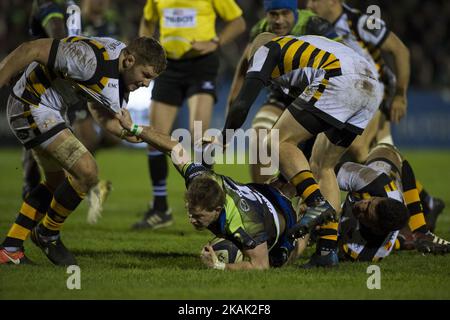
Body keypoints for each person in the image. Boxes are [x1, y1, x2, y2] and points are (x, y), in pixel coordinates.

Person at [0, 35, 166, 265]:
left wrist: (128, 132)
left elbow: (99, 108)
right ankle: (48, 234)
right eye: (146, 75)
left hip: (50, 110)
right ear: (129, 60)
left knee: (56, 184)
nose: (147, 84)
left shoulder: (121, 70)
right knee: (86, 171)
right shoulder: (90, 61)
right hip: (31, 105)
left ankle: (11, 248)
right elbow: (31, 48)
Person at [221, 32, 383, 267]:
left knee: (275, 140)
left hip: (340, 76)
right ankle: (327, 252)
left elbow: (241, 104)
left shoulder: (266, 50)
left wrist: (225, 138)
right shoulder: (302, 51)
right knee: (323, 166)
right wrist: (292, 173)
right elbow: (306, 131)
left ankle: (317, 202)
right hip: (370, 87)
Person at [114, 110, 330, 270]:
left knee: (283, 260)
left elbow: (260, 265)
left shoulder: (243, 225)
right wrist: (134, 128)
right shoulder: (200, 178)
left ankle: (307, 226)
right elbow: (174, 147)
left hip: (279, 221)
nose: (192, 220)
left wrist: (219, 266)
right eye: (190, 211)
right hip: (261, 193)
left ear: (217, 210)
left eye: (198, 216)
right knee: (285, 186)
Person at [307, 0, 445, 229]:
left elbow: (400, 50)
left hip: (377, 91)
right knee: (379, 151)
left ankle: (366, 209)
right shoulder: (319, 26)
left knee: (358, 148)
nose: (310, 5)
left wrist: (400, 94)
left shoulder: (360, 22)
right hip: (354, 91)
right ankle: (424, 201)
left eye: (314, 0)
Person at [134, 0, 246, 230]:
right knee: (154, 139)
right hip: (168, 66)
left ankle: (207, 204)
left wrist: (215, 42)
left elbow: (238, 22)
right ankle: (160, 208)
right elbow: (147, 20)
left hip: (201, 65)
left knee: (199, 137)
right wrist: (146, 51)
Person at [227, 0, 337, 183]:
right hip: (281, 95)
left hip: (320, 96)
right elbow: (243, 69)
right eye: (273, 14)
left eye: (285, 13)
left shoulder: (314, 25)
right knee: (260, 133)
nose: (279, 20)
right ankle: (265, 200)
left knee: (328, 152)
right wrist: (231, 112)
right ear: (266, 14)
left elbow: (342, 58)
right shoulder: (260, 30)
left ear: (295, 12)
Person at [332, 144, 449, 265]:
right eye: (370, 202)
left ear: (377, 229)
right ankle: (422, 226)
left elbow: (334, 246)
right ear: (380, 198)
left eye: (366, 213)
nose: (361, 205)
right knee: (383, 149)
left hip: (378, 236)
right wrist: (420, 229)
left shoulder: (367, 252)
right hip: (381, 176)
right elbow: (327, 172)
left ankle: (410, 237)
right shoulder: (378, 184)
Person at [22, 0, 67, 200]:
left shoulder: (72, 5)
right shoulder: (48, 4)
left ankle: (35, 197)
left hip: (62, 89)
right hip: (42, 90)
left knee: (45, 149)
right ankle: (32, 195)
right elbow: (58, 36)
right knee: (40, 148)